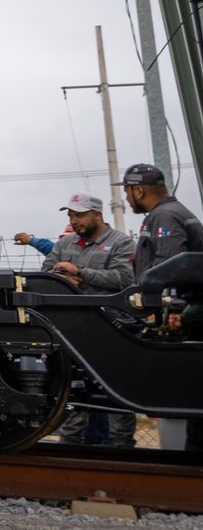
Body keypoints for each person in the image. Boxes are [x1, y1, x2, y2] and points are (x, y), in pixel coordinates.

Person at [37, 192, 136, 447]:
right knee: (73, 389)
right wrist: (64, 280)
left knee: (116, 389)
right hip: (72, 329)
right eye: (71, 215)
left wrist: (81, 272)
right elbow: (46, 273)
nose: (75, 220)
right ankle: (71, 449)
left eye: (79, 215)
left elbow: (124, 279)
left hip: (112, 327)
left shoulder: (121, 243)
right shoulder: (65, 244)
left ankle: (121, 449)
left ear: (97, 215)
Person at [122, 163, 203, 451]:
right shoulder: (171, 212)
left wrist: (165, 312)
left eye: (127, 191)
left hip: (189, 317)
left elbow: (170, 269)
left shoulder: (165, 215)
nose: (127, 198)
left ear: (138, 189)